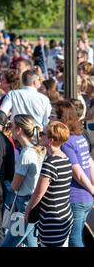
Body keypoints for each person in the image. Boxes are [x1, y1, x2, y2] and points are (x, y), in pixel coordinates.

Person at [52, 100, 94, 247]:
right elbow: (90, 164)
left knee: (74, 240)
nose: (50, 119)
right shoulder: (80, 138)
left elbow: (79, 174)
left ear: (62, 119)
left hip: (76, 197)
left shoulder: (67, 142)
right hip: (85, 197)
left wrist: (93, 191)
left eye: (53, 116)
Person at [25, 121, 73, 247]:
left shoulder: (50, 164)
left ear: (50, 140)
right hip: (65, 215)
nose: (40, 136)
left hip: (52, 220)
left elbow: (38, 194)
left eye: (42, 134)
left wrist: (27, 211)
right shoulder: (66, 159)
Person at [1, 114, 46, 247]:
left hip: (23, 207)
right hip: (31, 203)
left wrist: (6, 183)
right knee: (31, 242)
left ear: (19, 130)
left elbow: (15, 185)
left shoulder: (26, 153)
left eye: (11, 126)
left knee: (8, 244)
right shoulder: (36, 149)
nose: (10, 129)